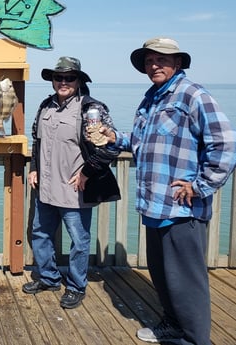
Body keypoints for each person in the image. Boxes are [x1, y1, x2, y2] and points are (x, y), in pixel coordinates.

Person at [102, 37, 236, 344]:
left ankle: (193, 338)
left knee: (187, 282)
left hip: (182, 208)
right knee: (164, 277)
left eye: (161, 59)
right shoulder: (152, 98)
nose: (154, 65)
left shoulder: (193, 94)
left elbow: (225, 143)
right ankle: (173, 325)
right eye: (149, 61)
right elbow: (140, 141)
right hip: (155, 205)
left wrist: (200, 185)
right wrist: (114, 137)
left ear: (177, 63)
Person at [23, 56, 120, 309]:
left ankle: (77, 286)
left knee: (79, 240)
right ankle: (49, 278)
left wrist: (87, 172)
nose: (63, 82)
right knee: (40, 234)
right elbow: (37, 142)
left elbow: (110, 148)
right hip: (44, 186)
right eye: (59, 77)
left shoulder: (92, 109)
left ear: (79, 81)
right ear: (53, 80)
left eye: (69, 78)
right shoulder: (45, 106)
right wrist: (34, 169)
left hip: (75, 188)